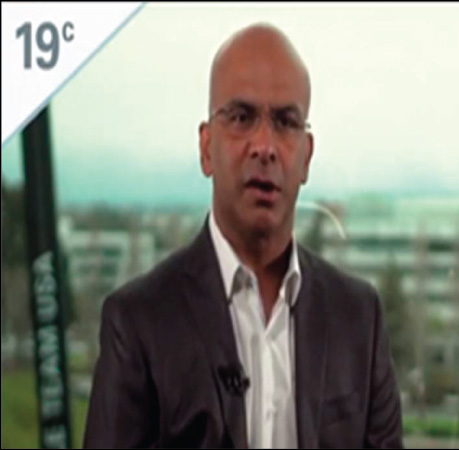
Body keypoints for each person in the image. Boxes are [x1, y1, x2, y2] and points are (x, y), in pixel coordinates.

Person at [83, 23, 403, 449]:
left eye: (286, 122)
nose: (264, 146)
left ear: (306, 157)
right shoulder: (139, 322)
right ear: (206, 148)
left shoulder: (359, 319)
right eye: (241, 118)